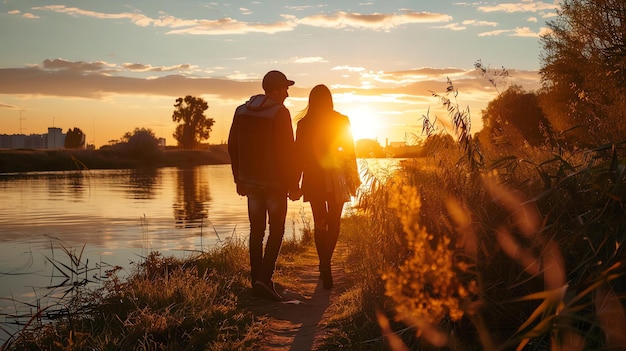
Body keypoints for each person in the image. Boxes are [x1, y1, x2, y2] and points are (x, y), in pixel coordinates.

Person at [228, 70, 301, 302]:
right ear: (276, 90)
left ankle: (256, 281)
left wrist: (238, 177)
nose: (288, 93)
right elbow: (287, 151)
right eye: (285, 89)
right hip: (274, 183)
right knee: (276, 230)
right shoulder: (280, 112)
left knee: (256, 231)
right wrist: (293, 184)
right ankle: (264, 279)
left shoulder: (241, 111)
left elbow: (233, 146)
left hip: (250, 182)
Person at [295, 84, 360, 290]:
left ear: (311, 101)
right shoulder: (341, 120)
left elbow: (299, 155)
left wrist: (295, 182)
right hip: (336, 176)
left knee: (319, 221)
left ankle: (324, 265)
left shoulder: (304, 123)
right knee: (334, 221)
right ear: (330, 100)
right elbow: (350, 151)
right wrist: (354, 179)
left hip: (313, 177)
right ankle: (325, 263)